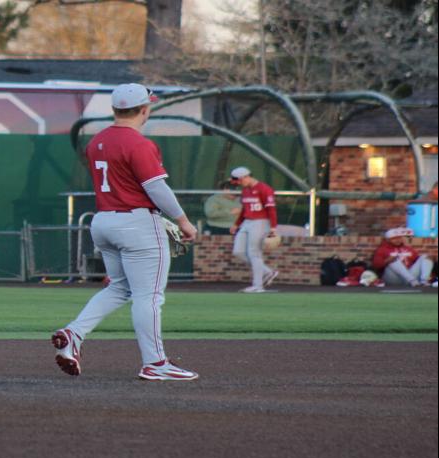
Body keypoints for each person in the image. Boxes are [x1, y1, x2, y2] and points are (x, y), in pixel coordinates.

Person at [50, 84, 201, 381]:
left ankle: (74, 333)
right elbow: (155, 187)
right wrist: (183, 220)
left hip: (103, 221)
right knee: (149, 296)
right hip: (136, 223)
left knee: (119, 288)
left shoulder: (97, 142)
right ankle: (155, 363)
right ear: (145, 109)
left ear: (115, 109)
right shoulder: (138, 143)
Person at [227, 166, 279, 293]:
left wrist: (273, 227)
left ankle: (258, 285)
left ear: (246, 177)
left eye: (239, 180)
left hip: (260, 222)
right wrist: (236, 224)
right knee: (238, 251)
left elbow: (271, 209)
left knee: (254, 253)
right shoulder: (245, 190)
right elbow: (245, 209)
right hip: (247, 222)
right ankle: (268, 272)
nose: (238, 183)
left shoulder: (264, 189)